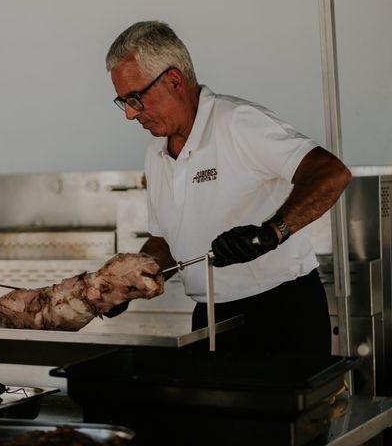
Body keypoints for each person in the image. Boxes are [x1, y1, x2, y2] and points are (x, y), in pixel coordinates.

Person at [105, 21, 351, 355]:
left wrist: (271, 233)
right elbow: (165, 240)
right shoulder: (156, 152)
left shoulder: (238, 122)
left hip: (282, 314)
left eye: (136, 99)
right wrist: (125, 284)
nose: (130, 115)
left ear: (174, 80)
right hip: (210, 319)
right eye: (123, 102)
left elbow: (331, 173)